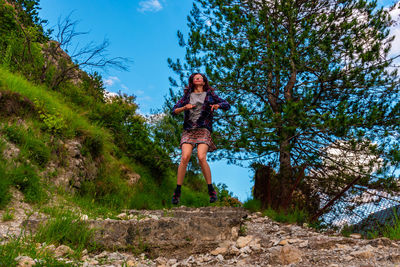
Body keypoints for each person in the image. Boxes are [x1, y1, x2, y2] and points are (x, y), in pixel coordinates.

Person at [170, 73, 230, 205]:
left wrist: (217, 106)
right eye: (195, 77)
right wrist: (184, 107)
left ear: (203, 82)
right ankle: (177, 191)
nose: (197, 78)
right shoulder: (187, 97)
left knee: (201, 157)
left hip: (203, 129)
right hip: (189, 130)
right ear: (192, 81)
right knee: (185, 157)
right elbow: (174, 111)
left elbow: (226, 104)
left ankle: (211, 190)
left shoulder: (210, 95)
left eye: (200, 77)